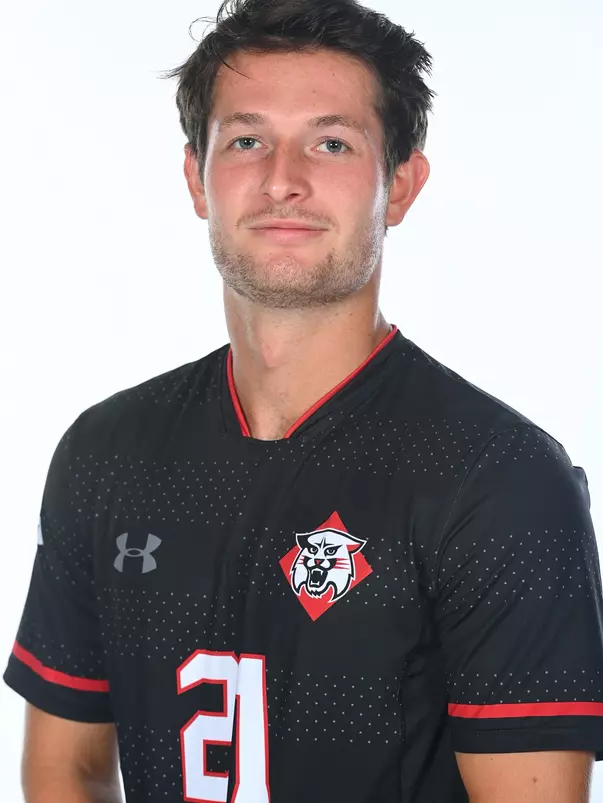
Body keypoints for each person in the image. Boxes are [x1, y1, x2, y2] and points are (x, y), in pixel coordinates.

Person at [4, 0, 603, 801]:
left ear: (399, 185)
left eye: (331, 143)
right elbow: (65, 767)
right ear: (196, 178)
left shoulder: (500, 482)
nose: (283, 180)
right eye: (246, 141)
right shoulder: (106, 452)